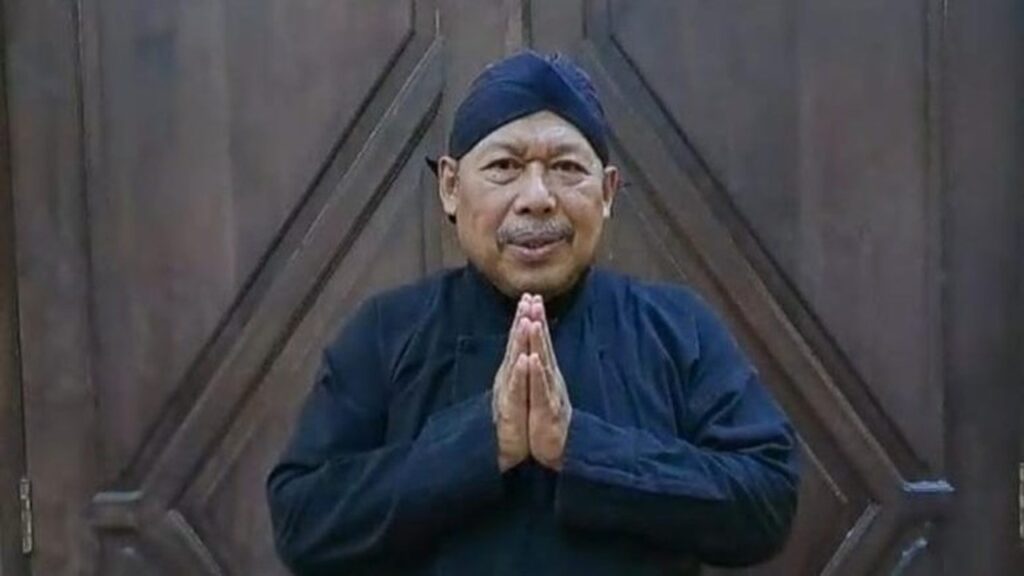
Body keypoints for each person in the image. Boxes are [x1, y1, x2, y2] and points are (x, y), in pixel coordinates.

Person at [266, 51, 800, 576]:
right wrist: (482, 443)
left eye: (567, 168)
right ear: (450, 186)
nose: (538, 197)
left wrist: (580, 448)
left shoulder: (677, 327)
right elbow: (302, 521)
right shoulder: (386, 332)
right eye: (505, 167)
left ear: (608, 191)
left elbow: (768, 497)